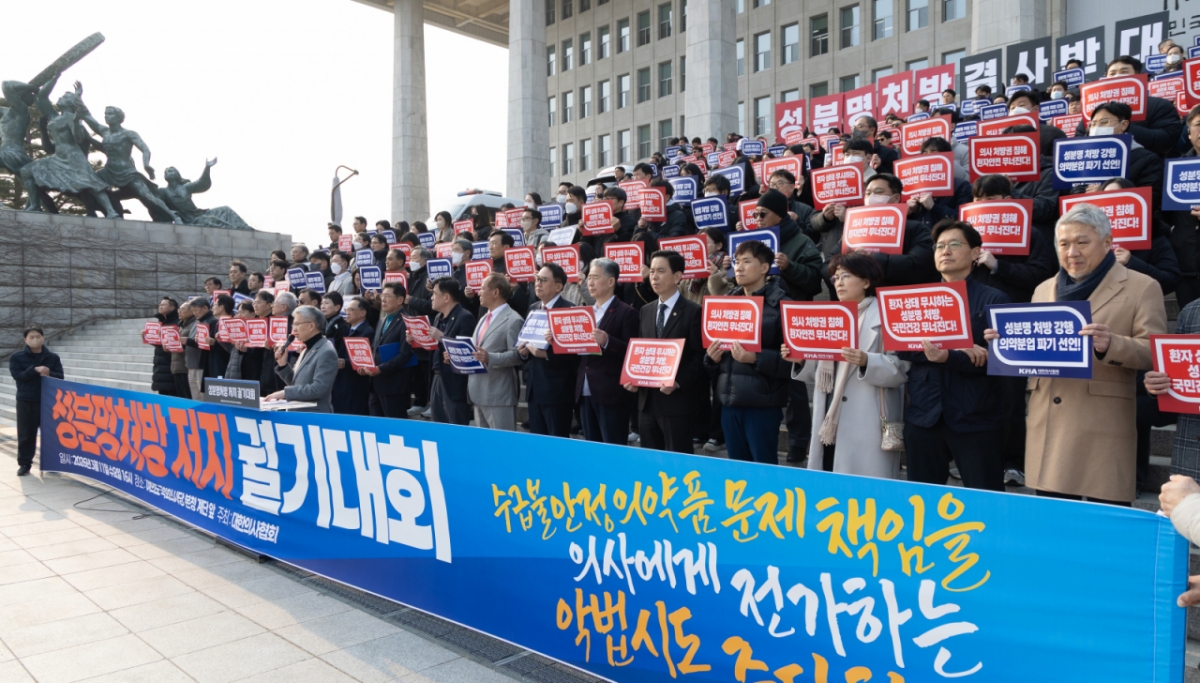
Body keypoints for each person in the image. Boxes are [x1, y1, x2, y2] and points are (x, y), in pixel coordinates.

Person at [987, 203, 1167, 503]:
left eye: (1082, 242)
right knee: (1053, 525)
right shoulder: (1043, 289)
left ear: (1108, 243)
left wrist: (1112, 344)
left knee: (1103, 527)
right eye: (1064, 244)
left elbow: (1155, 351)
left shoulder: (1142, 286)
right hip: (1048, 419)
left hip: (1102, 423)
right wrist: (1006, 342)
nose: (1072, 252)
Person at [905, 220, 1010, 491]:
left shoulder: (995, 299)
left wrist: (947, 356)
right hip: (924, 413)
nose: (945, 251)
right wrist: (954, 352)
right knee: (921, 500)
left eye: (954, 245)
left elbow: (1000, 359)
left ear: (976, 253)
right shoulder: (918, 298)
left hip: (975, 415)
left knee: (985, 498)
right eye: (939, 246)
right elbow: (902, 346)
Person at [788, 252, 910, 477]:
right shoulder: (830, 317)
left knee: (866, 492)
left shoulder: (886, 316)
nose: (839, 282)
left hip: (867, 419)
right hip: (830, 416)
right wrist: (801, 360)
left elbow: (902, 369)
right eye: (835, 278)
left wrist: (867, 361)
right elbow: (823, 374)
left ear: (866, 281)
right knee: (830, 483)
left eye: (846, 276)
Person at [704, 241, 791, 463]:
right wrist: (711, 359)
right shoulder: (725, 303)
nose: (739, 267)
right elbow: (713, 355)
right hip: (729, 402)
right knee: (737, 474)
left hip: (762, 405)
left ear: (764, 267)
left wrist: (756, 358)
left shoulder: (782, 305)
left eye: (746, 261)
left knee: (764, 472)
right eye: (736, 262)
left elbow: (793, 362)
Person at [628, 251, 705, 453]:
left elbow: (699, 358)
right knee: (650, 464)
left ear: (678, 276)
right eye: (652, 271)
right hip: (646, 403)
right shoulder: (646, 310)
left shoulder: (693, 311)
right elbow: (641, 352)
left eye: (661, 271)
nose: (653, 277)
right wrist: (633, 377)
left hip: (676, 404)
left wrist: (678, 382)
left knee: (678, 464)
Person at [575, 259, 639, 445]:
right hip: (585, 387)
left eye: (595, 277)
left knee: (613, 446)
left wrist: (608, 341)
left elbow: (632, 351)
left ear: (611, 281)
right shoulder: (585, 313)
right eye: (589, 278)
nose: (590, 283)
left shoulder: (626, 312)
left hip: (611, 392)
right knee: (592, 448)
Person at [518, 263, 579, 437]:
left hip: (557, 390)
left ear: (559, 286)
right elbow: (526, 343)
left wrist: (547, 354)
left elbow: (576, 355)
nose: (538, 284)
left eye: (543, 280)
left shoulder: (569, 310)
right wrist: (523, 353)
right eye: (537, 279)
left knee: (557, 443)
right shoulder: (533, 308)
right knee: (539, 446)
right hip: (534, 389)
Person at [466, 273, 525, 430]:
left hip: (499, 394)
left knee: (503, 446)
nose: (478, 292)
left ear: (495, 292)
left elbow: (517, 355)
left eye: (483, 288)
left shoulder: (513, 319)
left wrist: (489, 357)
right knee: (485, 448)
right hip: (478, 391)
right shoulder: (484, 318)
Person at [10, 326, 64, 476]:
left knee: (50, 433)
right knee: (26, 433)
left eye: (37, 336)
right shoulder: (17, 357)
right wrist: (34, 370)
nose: (35, 339)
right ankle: (25, 463)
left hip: (48, 401)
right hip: (26, 401)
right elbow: (18, 376)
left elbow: (60, 377)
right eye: (31, 337)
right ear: (25, 340)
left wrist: (48, 373)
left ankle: (51, 462)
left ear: (43, 338)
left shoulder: (52, 357)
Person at [423, 278, 476, 425]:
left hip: (454, 382)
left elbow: (466, 352)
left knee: (456, 425)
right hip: (437, 375)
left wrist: (442, 337)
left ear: (446, 297)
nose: (431, 297)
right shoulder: (438, 317)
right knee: (438, 424)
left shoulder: (465, 317)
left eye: (434, 293)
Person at [266, 305, 338, 412]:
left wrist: (285, 393)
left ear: (311, 326)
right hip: (299, 414)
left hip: (314, 417)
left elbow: (318, 389)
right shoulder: (307, 348)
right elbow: (297, 384)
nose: (294, 329)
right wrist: (283, 365)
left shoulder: (326, 351)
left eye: (297, 324)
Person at [362, 282, 415, 418]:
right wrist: (366, 365)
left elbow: (405, 354)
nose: (383, 300)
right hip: (375, 384)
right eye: (382, 296)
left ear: (400, 300)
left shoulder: (407, 321)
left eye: (387, 296)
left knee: (395, 427)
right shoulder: (382, 320)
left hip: (394, 385)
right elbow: (375, 349)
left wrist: (380, 369)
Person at [333, 296, 374, 415]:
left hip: (356, 383)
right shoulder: (347, 329)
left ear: (362, 313)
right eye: (346, 310)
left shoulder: (367, 331)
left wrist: (345, 363)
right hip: (343, 381)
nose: (347, 312)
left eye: (351, 310)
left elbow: (366, 360)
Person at [184, 297, 215, 399]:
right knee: (195, 398)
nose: (194, 313)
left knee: (204, 398)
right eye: (192, 311)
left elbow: (205, 344)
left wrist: (188, 341)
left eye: (196, 310)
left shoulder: (212, 321)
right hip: (191, 365)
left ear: (205, 308)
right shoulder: (197, 322)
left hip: (202, 365)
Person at [149, 297, 180, 396]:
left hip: (170, 364)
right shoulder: (161, 322)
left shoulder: (177, 322)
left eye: (163, 305)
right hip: (160, 364)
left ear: (172, 307)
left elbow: (176, 344)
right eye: (160, 305)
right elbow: (160, 344)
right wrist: (150, 338)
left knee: (171, 394)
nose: (160, 307)